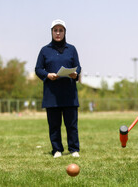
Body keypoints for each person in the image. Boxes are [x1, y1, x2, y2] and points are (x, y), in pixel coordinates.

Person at [35, 19, 81, 158]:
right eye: (55, 30)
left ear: (65, 32)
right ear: (51, 32)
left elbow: (78, 66)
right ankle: (57, 150)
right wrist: (47, 75)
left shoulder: (72, 49)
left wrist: (75, 74)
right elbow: (38, 69)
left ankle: (74, 149)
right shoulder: (45, 50)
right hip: (52, 95)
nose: (58, 33)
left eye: (61, 30)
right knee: (54, 125)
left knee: (71, 125)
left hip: (69, 94)